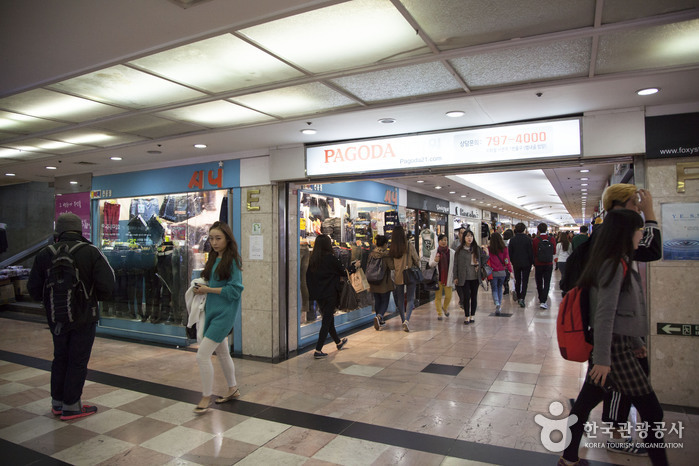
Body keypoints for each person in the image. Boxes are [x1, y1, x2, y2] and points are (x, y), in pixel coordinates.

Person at [559, 209, 667, 466]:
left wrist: (636, 342)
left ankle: (568, 457)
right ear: (626, 233)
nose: (642, 235)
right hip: (614, 351)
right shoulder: (612, 264)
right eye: (639, 230)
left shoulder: (616, 260)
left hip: (617, 346)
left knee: (583, 407)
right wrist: (603, 359)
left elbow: (624, 310)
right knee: (653, 412)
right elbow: (605, 314)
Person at [27, 213, 115, 420]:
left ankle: (57, 403)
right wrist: (92, 298)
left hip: (56, 317)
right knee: (77, 360)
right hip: (85, 316)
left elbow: (33, 289)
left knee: (60, 357)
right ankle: (72, 406)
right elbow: (108, 285)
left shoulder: (44, 254)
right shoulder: (91, 252)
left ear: (59, 231)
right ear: (79, 230)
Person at [192, 221, 244, 414]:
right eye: (211, 238)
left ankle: (206, 396)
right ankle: (233, 388)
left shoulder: (232, 261)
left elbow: (236, 290)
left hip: (224, 315)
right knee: (222, 353)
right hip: (212, 312)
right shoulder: (214, 258)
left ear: (227, 239)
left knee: (202, 355)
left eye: (218, 238)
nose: (214, 242)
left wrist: (208, 289)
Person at [306, 234, 355, 358]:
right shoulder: (330, 258)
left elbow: (308, 278)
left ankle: (338, 342)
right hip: (330, 293)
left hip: (319, 295)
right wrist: (354, 267)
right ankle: (318, 350)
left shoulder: (313, 260)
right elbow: (343, 272)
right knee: (327, 321)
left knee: (329, 319)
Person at [453, 229, 488, 324]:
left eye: (471, 236)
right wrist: (455, 277)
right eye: (467, 236)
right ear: (464, 238)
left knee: (474, 296)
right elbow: (455, 264)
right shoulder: (459, 250)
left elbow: (483, 261)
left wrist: (486, 253)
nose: (469, 238)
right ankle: (466, 316)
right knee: (466, 297)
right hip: (463, 276)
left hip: (475, 276)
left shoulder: (477, 248)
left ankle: (472, 315)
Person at [389, 225, 419, 332]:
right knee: (410, 298)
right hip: (409, 274)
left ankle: (402, 320)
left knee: (400, 299)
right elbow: (416, 258)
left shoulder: (392, 247)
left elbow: (391, 265)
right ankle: (407, 320)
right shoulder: (409, 245)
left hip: (398, 276)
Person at [368, 234, 395, 330]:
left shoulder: (371, 254)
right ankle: (379, 316)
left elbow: (368, 266)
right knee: (384, 301)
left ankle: (379, 319)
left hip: (373, 282)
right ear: (384, 244)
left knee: (377, 301)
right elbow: (392, 267)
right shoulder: (385, 255)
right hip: (384, 282)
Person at [428, 234, 455, 320]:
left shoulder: (452, 252)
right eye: (442, 240)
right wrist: (435, 261)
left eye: (445, 240)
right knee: (438, 297)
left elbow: (454, 265)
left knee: (449, 296)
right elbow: (430, 264)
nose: (444, 242)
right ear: (438, 241)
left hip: (448, 277)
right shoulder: (434, 252)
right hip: (438, 278)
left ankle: (445, 308)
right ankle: (439, 313)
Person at [508, 222, 534, 308]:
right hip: (526, 263)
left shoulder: (512, 240)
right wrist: (532, 262)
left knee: (518, 280)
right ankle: (523, 297)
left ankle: (519, 296)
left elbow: (510, 253)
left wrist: (512, 261)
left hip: (516, 263)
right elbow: (531, 252)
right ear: (524, 229)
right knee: (525, 281)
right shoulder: (528, 239)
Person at [532, 222, 556, 309]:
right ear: (546, 229)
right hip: (549, 264)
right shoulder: (552, 239)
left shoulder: (535, 240)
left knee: (539, 282)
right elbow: (554, 251)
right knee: (547, 282)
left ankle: (540, 297)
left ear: (538, 229)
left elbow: (534, 253)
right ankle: (543, 300)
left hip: (538, 264)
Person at [487, 232, 512, 315]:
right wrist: (509, 269)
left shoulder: (489, 249)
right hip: (502, 272)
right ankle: (499, 305)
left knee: (494, 289)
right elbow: (506, 260)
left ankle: (497, 303)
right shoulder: (504, 248)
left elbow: (487, 260)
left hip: (493, 272)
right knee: (500, 288)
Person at [502, 228, 514, 296]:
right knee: (510, 273)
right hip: (508, 260)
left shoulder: (502, 242)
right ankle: (511, 287)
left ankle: (506, 286)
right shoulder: (512, 241)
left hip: (503, 261)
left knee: (505, 273)